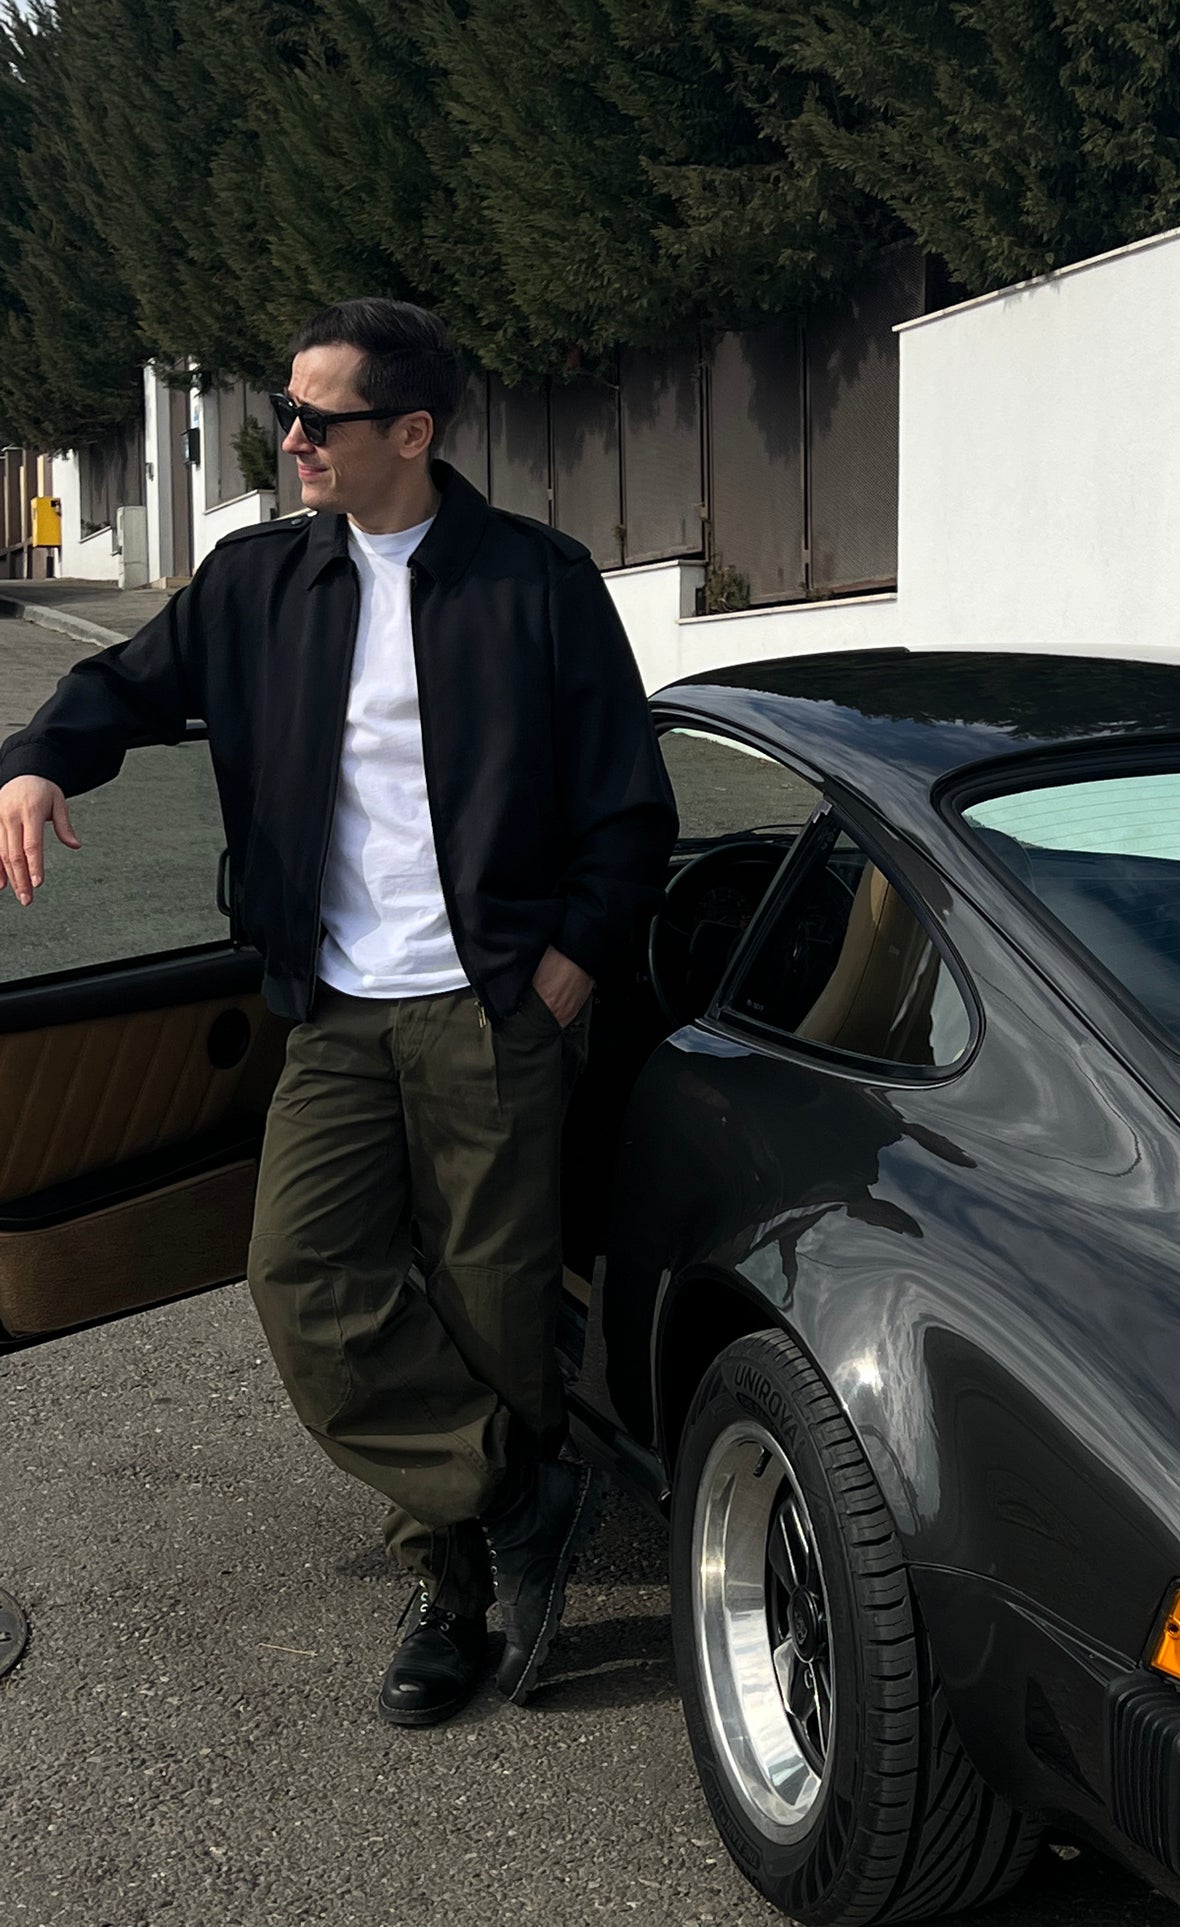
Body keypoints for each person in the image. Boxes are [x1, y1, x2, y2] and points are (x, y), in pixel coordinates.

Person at [0, 298, 679, 1727]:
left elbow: (630, 813)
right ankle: (515, 1492)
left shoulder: (537, 585)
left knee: (491, 1305)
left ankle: (456, 1591)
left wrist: (561, 974)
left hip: (490, 1005)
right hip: (333, 1006)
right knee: (299, 1275)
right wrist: (36, 762)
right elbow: (121, 685)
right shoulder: (258, 585)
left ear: (410, 434)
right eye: (288, 413)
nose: (290, 438)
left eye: (320, 418)